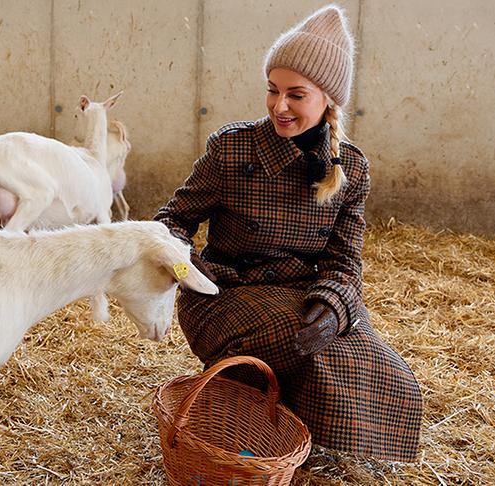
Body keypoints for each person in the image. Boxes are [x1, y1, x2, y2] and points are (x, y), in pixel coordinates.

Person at [154, 4, 422, 462]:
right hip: (223, 296)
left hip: (301, 295)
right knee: (299, 338)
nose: (279, 106)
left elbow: (345, 262)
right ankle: (246, 419)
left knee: (384, 368)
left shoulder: (351, 168)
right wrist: (185, 265)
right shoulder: (232, 148)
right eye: (272, 90)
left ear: (328, 100)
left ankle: (288, 433)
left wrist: (333, 307)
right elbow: (170, 221)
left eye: (296, 95)